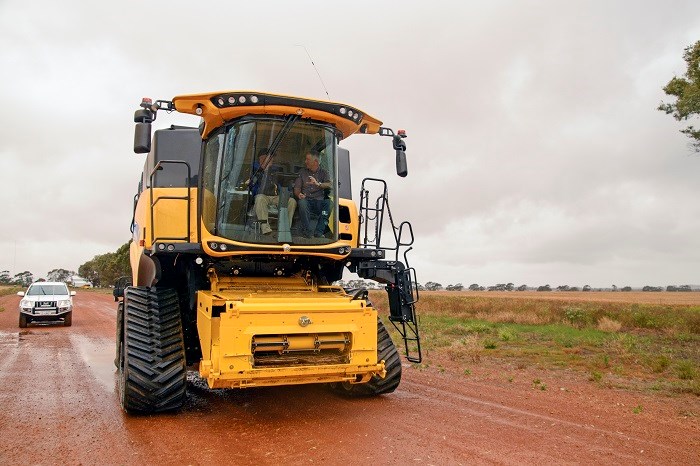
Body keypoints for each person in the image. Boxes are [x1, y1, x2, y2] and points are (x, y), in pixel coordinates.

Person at [250, 149, 296, 235]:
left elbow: (284, 186)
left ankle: (284, 230)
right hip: (263, 196)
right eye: (270, 159)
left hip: (276, 196)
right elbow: (253, 188)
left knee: (291, 201)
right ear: (262, 159)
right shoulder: (254, 171)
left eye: (272, 159)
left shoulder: (276, 170)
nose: (272, 161)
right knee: (259, 198)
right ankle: (265, 229)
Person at [294, 151, 331, 238]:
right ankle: (307, 231)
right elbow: (297, 188)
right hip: (306, 201)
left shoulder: (324, 173)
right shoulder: (302, 172)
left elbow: (330, 184)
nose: (305, 161)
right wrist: (299, 194)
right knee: (302, 203)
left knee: (329, 204)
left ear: (315, 162)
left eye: (307, 159)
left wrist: (318, 184)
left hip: (319, 203)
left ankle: (319, 231)